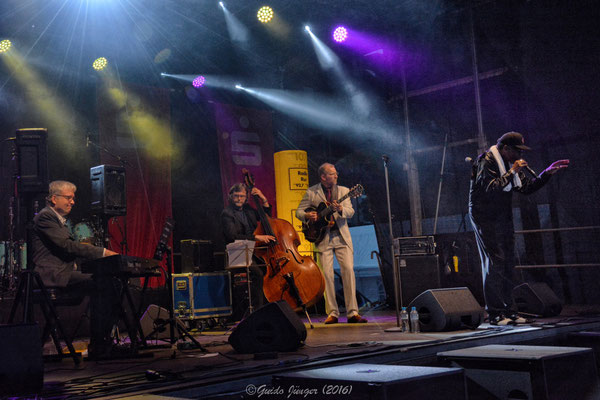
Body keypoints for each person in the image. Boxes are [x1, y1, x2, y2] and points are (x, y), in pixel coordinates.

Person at [468, 132, 569, 326]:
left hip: (501, 214)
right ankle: (495, 313)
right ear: (505, 148)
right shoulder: (486, 161)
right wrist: (512, 171)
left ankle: (510, 310)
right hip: (483, 214)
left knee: (508, 262)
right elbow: (491, 188)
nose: (519, 156)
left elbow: (526, 188)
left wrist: (546, 173)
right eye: (516, 151)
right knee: (494, 260)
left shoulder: (509, 164)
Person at [32, 180, 119, 358]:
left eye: (73, 198)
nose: (73, 202)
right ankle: (99, 344)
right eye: (69, 198)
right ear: (54, 199)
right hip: (52, 275)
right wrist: (102, 252)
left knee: (108, 282)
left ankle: (102, 342)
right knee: (103, 283)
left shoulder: (58, 220)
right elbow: (66, 246)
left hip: (63, 273)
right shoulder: (45, 216)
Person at [296, 163, 367, 324]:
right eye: (333, 174)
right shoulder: (311, 192)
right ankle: (332, 313)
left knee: (348, 271)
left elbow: (350, 212)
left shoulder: (344, 191)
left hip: (341, 237)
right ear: (323, 176)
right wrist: (309, 216)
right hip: (322, 237)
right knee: (327, 275)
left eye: (336, 173)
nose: (336, 176)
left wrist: (341, 208)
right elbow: (299, 212)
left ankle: (352, 312)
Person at [221, 183, 275, 312]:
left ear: (246, 198)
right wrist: (257, 238)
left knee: (268, 271)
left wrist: (263, 199)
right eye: (236, 196)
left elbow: (265, 217)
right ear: (230, 197)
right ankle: (257, 310)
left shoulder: (248, 209)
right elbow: (232, 236)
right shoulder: (227, 213)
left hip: (254, 250)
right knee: (258, 273)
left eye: (242, 196)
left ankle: (269, 306)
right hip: (237, 251)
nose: (239, 199)